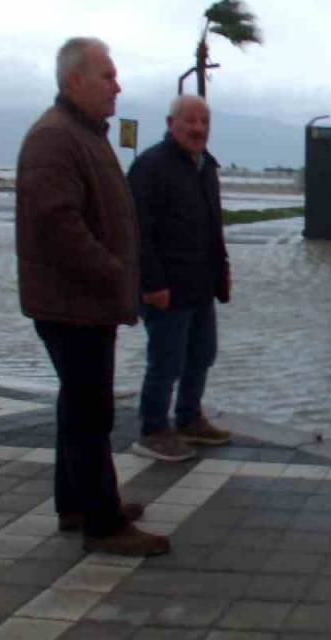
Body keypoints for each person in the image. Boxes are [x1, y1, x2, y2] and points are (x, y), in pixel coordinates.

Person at [15, 37, 168, 556]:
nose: (117, 86)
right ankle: (102, 525)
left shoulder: (82, 133)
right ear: (74, 81)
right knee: (90, 413)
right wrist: (113, 270)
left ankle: (77, 503)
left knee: (78, 406)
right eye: (107, 76)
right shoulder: (55, 139)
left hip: (83, 301)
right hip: (72, 303)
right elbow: (59, 226)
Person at [128, 94, 233, 462]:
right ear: (171, 123)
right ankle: (153, 429)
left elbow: (212, 229)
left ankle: (189, 418)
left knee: (202, 355)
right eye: (190, 121)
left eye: (204, 122)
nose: (198, 128)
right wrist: (151, 284)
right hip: (165, 287)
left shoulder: (205, 167)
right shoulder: (150, 166)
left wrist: (222, 274)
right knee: (165, 361)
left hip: (200, 285)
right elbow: (137, 232)